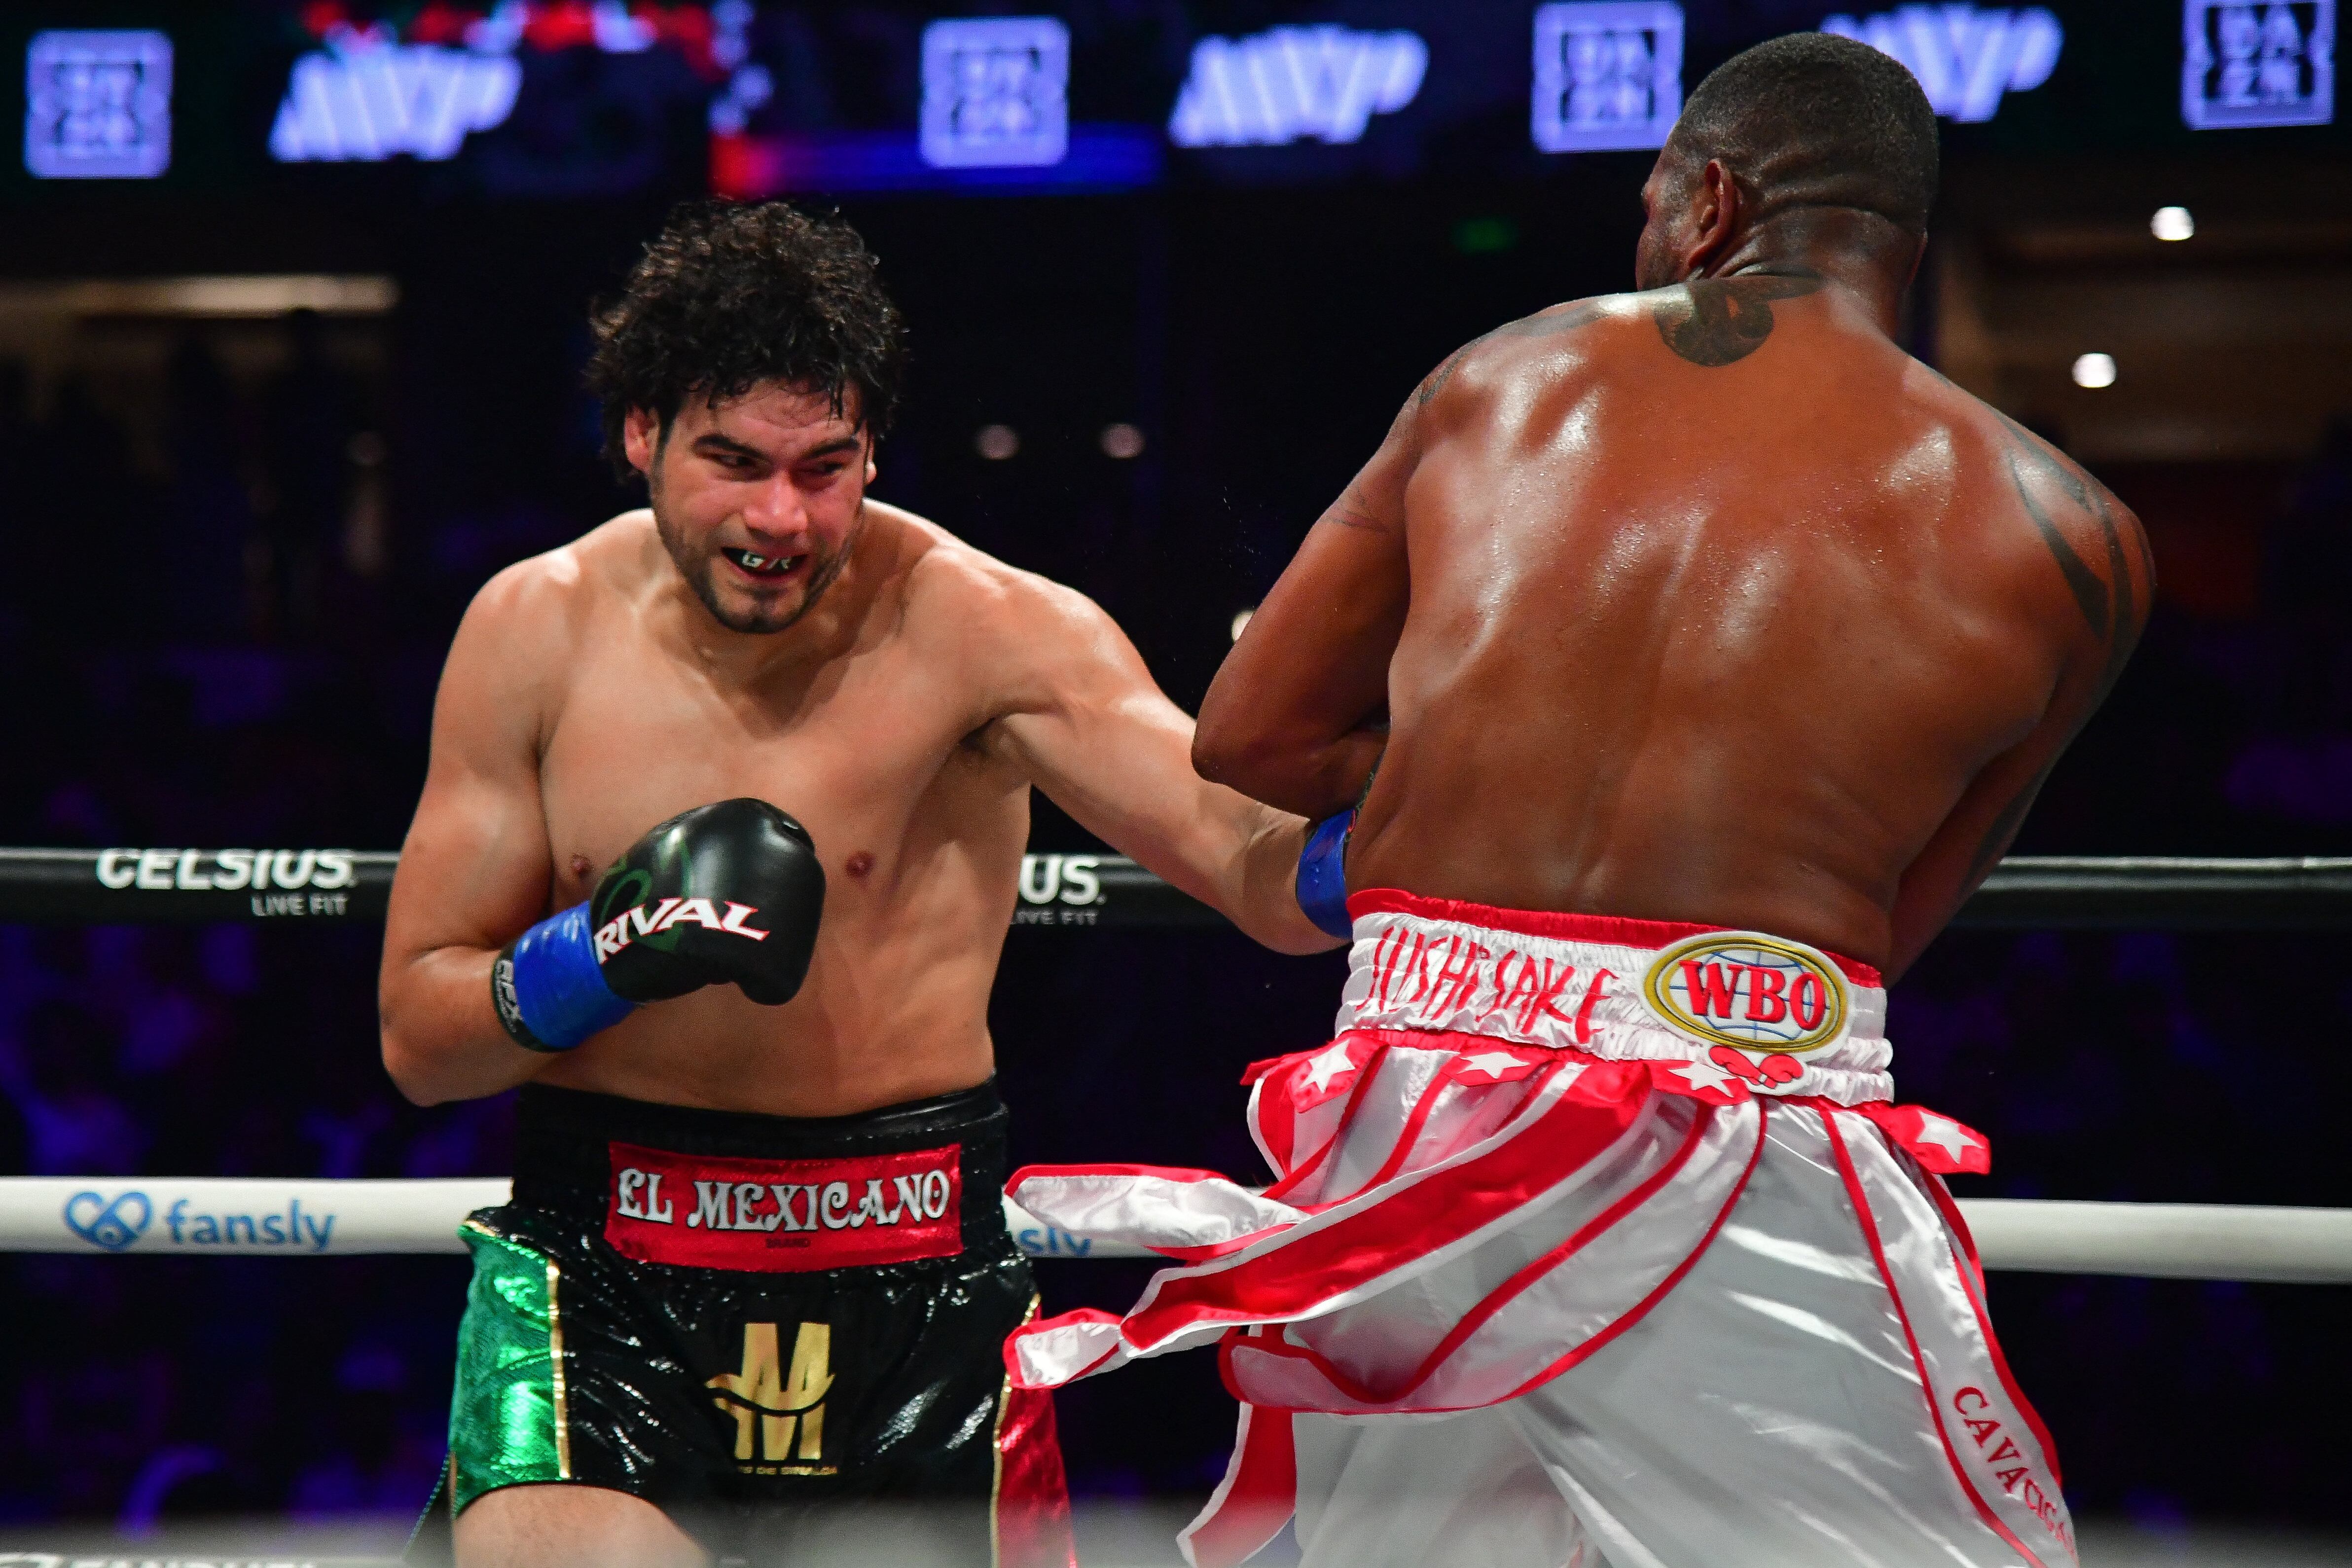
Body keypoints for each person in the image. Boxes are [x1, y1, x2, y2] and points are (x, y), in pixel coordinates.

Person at [1004, 34, 2149, 1568]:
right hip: (1729, 1094)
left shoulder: (1499, 378)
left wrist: (1467, 793)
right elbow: (1886, 921)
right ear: (1907, 247)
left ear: (1708, 204)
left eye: (1649, 199)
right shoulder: (2073, 539)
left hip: (1401, 1115)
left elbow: (1249, 735)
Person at [377, 200, 1335, 1568]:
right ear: (642, 432)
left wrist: (1424, 813)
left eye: (826, 466)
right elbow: (420, 1038)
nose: (782, 515)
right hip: (604, 1273)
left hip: (912, 1277)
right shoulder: (533, 633)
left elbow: (1261, 878)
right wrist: (604, 951)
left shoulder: (991, 629)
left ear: (873, 449)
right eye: (734, 462)